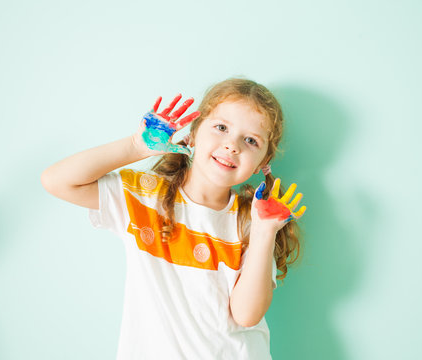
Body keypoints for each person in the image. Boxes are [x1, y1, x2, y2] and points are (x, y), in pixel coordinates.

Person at [41, 77, 307, 359]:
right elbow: (57, 181)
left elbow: (246, 315)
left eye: (251, 140)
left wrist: (266, 233)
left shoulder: (253, 219)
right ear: (192, 134)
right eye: (221, 127)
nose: (232, 145)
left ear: (263, 163)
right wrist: (136, 146)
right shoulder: (144, 197)